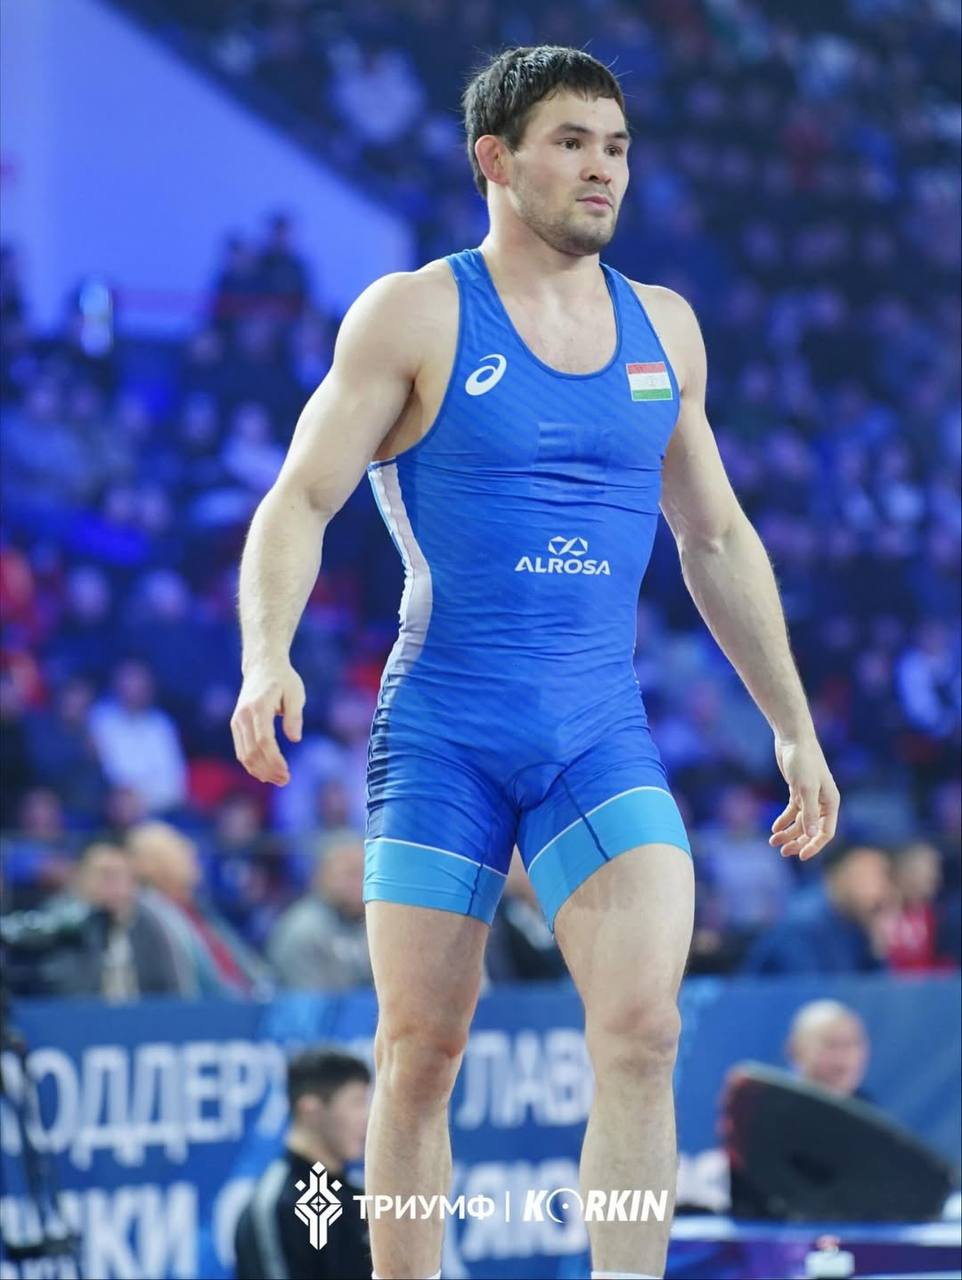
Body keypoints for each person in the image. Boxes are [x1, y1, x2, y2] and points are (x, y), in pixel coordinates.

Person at [231, 45, 840, 1280]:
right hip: (444, 732)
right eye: (570, 142)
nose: (602, 167)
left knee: (644, 1031)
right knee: (419, 1052)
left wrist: (790, 720)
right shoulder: (414, 312)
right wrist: (264, 654)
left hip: (596, 730)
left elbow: (713, 535)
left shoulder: (663, 327)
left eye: (615, 146)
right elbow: (298, 498)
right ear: (495, 161)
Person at [234, 1047, 373, 1280]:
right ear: (311, 1109)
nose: (367, 1117)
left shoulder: (357, 1195)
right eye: (356, 1102)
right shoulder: (278, 1206)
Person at [742, 843, 893, 975]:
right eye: (867, 876)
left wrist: (876, 944)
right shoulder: (803, 923)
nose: (879, 888)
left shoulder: (855, 920)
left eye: (882, 876)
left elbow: (875, 989)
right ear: (836, 875)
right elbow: (813, 991)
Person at [267, 829, 372, 990]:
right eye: (351, 874)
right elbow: (310, 1001)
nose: (360, 883)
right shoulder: (303, 929)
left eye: (365, 873)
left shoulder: (369, 922)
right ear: (321, 876)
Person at [785, 999, 872, 1101]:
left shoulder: (866, 1107)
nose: (843, 1056)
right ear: (796, 1050)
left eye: (852, 1043)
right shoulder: (777, 1102)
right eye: (831, 1044)